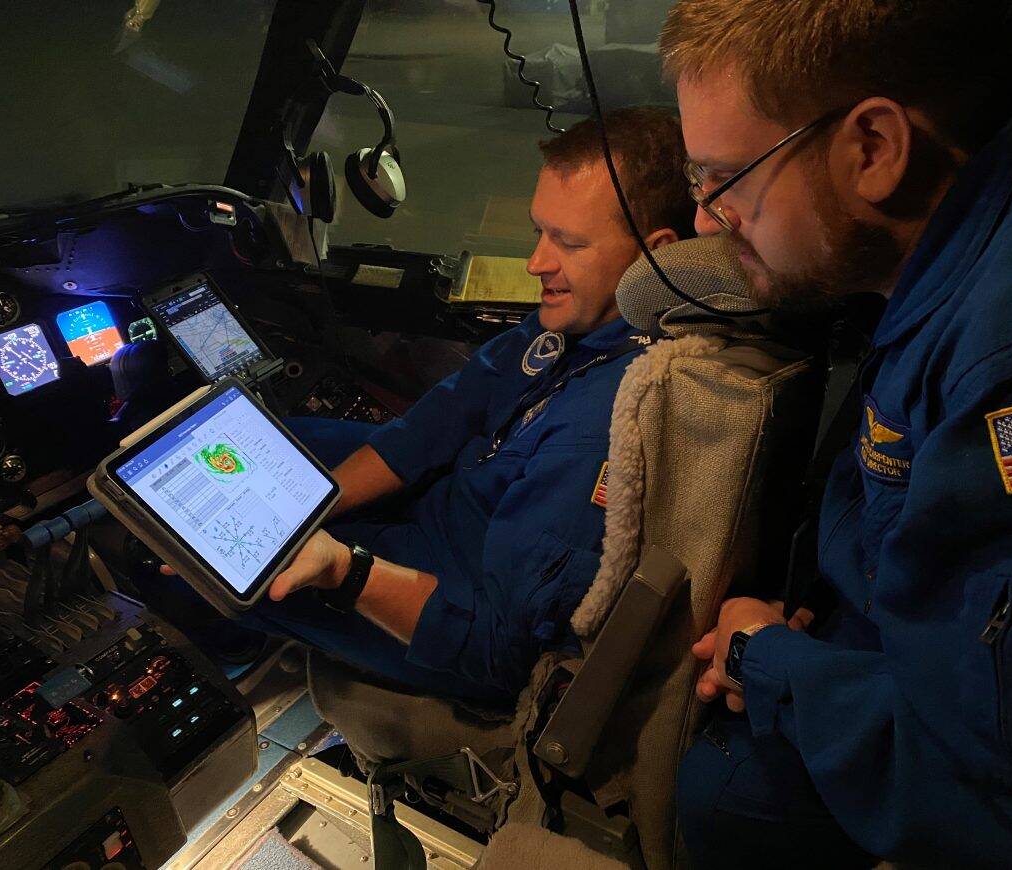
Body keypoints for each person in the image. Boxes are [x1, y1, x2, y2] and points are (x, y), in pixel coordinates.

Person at [661, 1, 1012, 867]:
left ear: (873, 148)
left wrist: (772, 663)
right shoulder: (958, 258)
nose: (711, 219)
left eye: (726, 178)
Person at [236, 107, 693, 703]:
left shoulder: (605, 425)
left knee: (205, 571)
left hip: (453, 598)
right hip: (449, 502)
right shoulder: (576, 324)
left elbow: (498, 651)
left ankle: (232, 653)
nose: (537, 264)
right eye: (539, 232)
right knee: (268, 446)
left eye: (569, 243)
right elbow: (437, 424)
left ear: (654, 255)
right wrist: (306, 507)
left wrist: (340, 568)